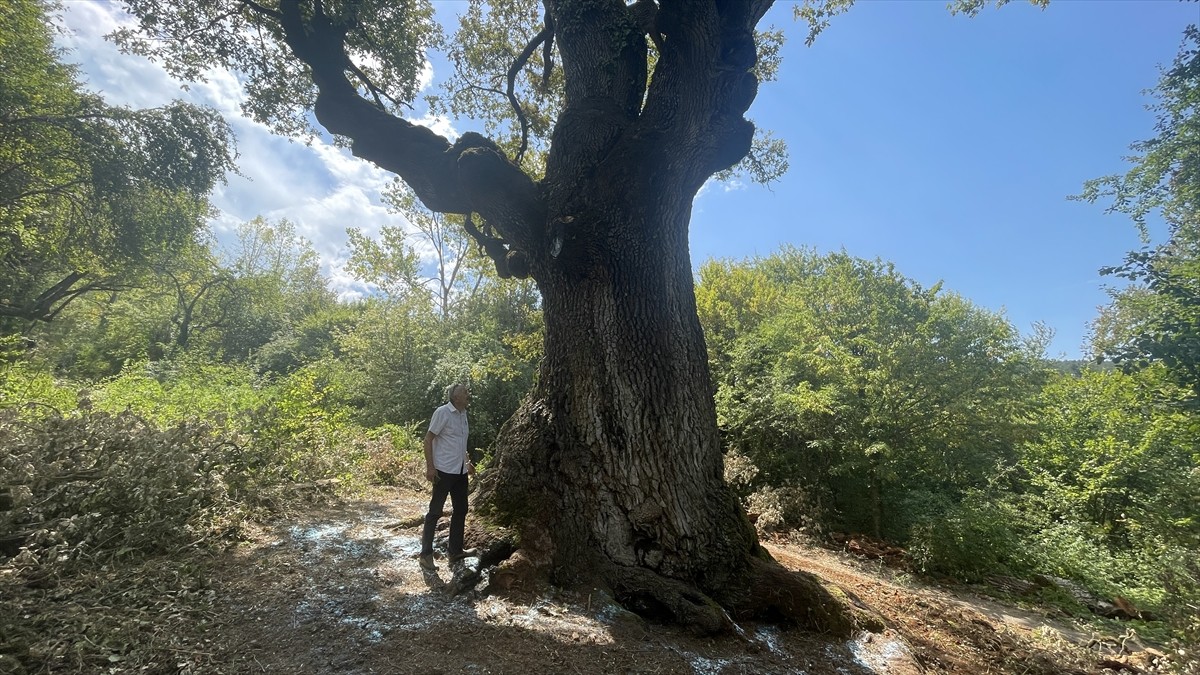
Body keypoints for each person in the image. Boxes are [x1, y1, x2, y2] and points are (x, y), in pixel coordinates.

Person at [418, 383, 476, 570]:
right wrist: (430, 467)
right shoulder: (443, 412)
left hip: (460, 472)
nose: (468, 394)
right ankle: (426, 554)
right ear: (455, 397)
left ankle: (455, 551)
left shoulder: (463, 414)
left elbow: (460, 443)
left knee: (461, 510)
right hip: (443, 471)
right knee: (435, 512)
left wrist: (467, 462)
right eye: (464, 392)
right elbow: (428, 439)